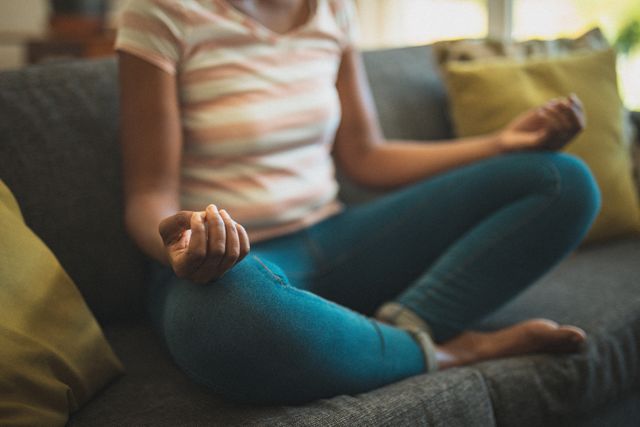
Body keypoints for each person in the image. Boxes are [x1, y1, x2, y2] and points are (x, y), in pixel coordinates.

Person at [116, 0, 600, 404]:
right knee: (222, 322)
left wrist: (501, 143)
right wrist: (183, 248)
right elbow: (147, 196)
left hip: (339, 241)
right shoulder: (162, 13)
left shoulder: (332, 9)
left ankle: (391, 333)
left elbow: (365, 156)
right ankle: (454, 351)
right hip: (232, 265)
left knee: (563, 181)